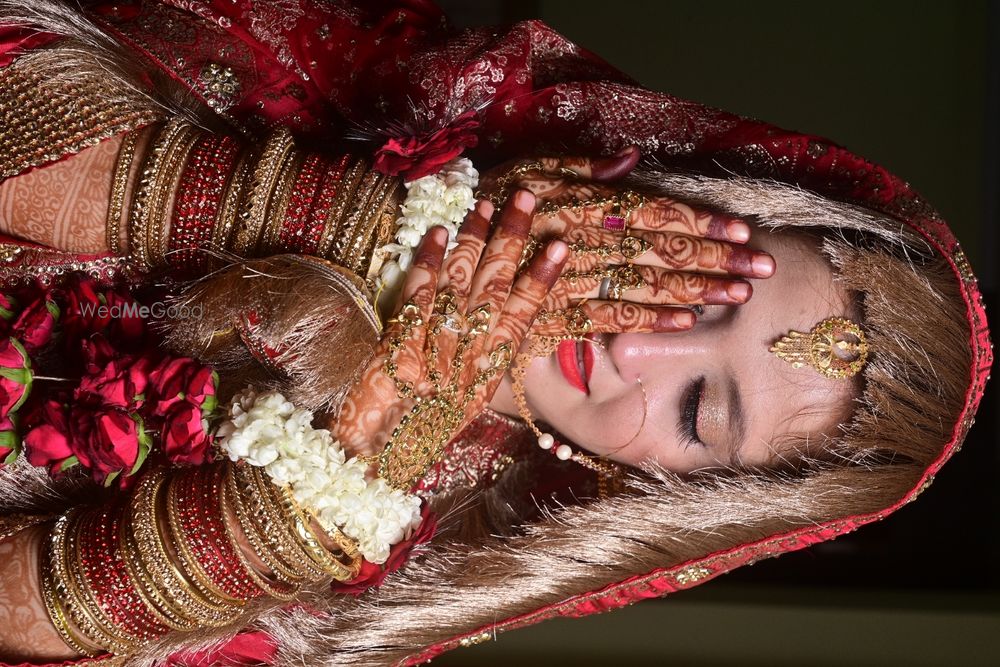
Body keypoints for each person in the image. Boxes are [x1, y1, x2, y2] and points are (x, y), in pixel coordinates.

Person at [0, 1, 990, 665]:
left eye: (698, 407)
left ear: (665, 488)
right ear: (674, 192)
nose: (635, 348)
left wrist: (311, 498)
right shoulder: (370, 103)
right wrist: (359, 221)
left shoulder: (375, 571)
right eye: (695, 292)